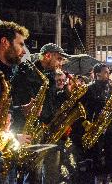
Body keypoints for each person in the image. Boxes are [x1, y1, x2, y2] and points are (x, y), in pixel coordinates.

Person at [11, 43, 69, 184]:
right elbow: (17, 104)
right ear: (47, 56)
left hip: (42, 128)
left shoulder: (47, 75)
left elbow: (49, 103)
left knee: (41, 174)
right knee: (31, 174)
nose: (60, 63)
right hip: (25, 130)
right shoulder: (27, 73)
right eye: (59, 59)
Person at [0, 21, 31, 184]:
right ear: (4, 42)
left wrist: (18, 110)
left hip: (2, 151)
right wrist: (13, 138)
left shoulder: (5, 72)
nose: (23, 51)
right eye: (20, 44)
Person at [81, 63, 112, 173]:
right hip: (96, 124)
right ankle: (97, 173)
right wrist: (86, 122)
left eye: (108, 72)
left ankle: (110, 171)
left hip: (111, 124)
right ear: (98, 74)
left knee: (111, 151)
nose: (108, 74)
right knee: (96, 153)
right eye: (106, 72)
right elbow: (84, 108)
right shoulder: (89, 89)